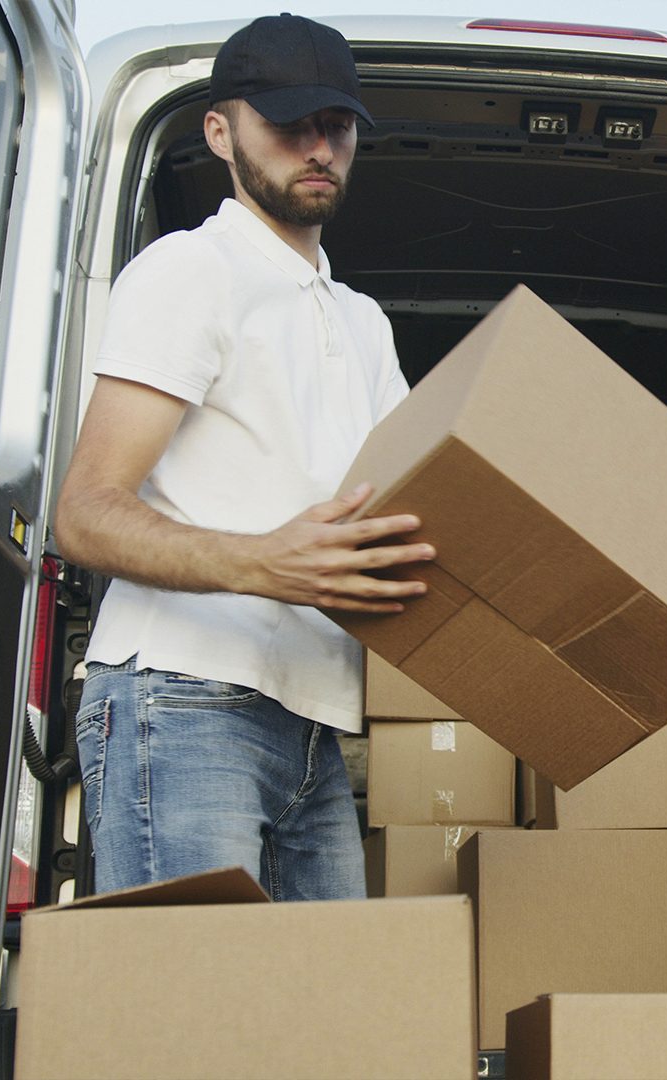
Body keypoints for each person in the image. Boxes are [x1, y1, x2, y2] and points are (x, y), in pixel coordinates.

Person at [54, 14, 428, 899]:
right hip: (182, 700)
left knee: (311, 1027)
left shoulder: (362, 322)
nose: (316, 147)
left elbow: (413, 505)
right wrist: (266, 562)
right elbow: (83, 513)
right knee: (193, 1024)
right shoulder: (194, 271)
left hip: (314, 725)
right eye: (287, 123)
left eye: (335, 126)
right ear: (221, 132)